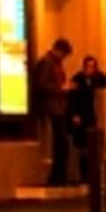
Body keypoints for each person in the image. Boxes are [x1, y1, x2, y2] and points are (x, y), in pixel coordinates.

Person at [34, 36, 74, 185]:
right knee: (60, 142)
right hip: (52, 107)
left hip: (59, 106)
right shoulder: (46, 63)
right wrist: (61, 89)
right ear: (58, 50)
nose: (64, 58)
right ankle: (57, 175)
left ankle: (60, 174)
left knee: (62, 142)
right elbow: (41, 85)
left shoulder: (56, 63)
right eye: (64, 54)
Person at [66, 54, 106, 185]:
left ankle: (90, 175)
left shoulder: (94, 79)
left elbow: (105, 82)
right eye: (89, 66)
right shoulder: (77, 79)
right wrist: (74, 114)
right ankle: (82, 174)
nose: (91, 69)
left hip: (90, 115)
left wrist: (96, 74)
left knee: (90, 145)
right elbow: (72, 97)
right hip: (79, 114)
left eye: (93, 67)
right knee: (80, 146)